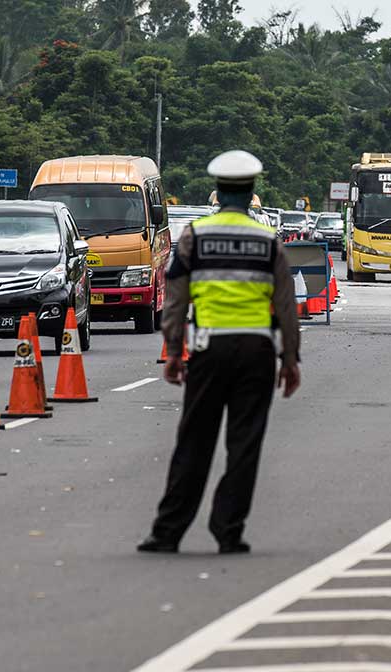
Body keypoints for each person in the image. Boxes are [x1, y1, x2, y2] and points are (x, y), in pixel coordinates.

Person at [138, 150, 302, 555]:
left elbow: (175, 298)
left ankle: (168, 531)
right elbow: (286, 305)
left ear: (217, 191)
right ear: (250, 193)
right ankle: (229, 531)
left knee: (194, 439)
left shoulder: (195, 235)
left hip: (209, 349)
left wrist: (174, 351)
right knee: (244, 444)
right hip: (257, 351)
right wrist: (290, 359)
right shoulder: (268, 241)